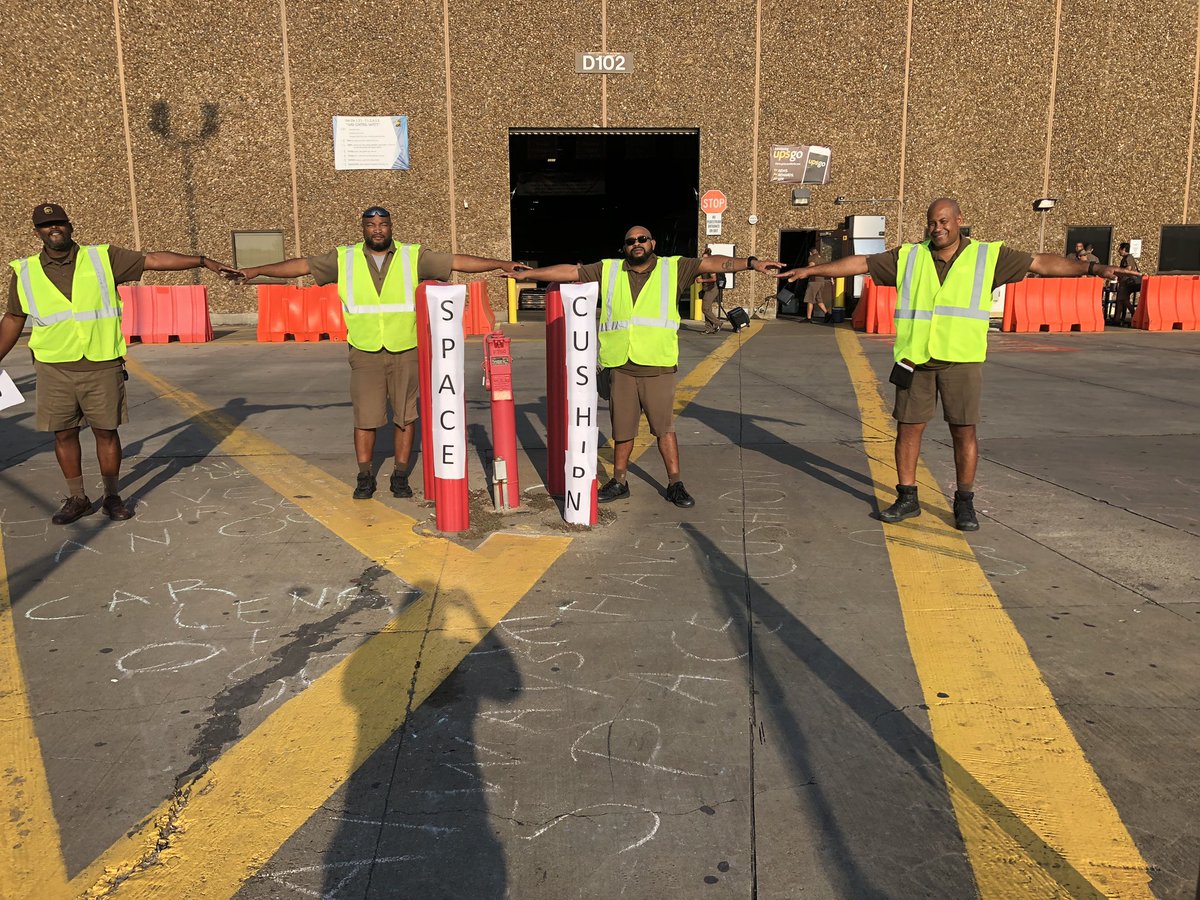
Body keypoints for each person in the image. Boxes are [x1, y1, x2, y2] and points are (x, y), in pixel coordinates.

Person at [781, 198, 1138, 531]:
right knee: (908, 429)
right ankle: (908, 497)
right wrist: (813, 271)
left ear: (959, 222)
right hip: (915, 359)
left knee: (963, 431)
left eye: (944, 221)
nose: (937, 228)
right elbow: (860, 263)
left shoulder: (987, 256)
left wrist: (1093, 267)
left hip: (962, 360)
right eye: (931, 223)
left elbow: (1041, 263)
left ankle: (963, 501)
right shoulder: (909, 256)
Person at [235, 207, 524, 500]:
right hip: (364, 350)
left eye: (383, 224)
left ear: (391, 227)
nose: (377, 229)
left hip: (405, 349)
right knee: (365, 418)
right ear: (362, 228)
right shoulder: (344, 258)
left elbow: (457, 261)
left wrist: (502, 263)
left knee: (405, 417)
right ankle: (365, 477)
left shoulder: (413, 256)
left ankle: (400, 476)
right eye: (371, 224)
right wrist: (257, 270)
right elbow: (301, 267)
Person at [512, 225, 782, 508]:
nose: (636, 244)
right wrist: (529, 273)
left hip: (657, 365)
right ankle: (619, 481)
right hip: (621, 365)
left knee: (663, 427)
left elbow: (712, 263)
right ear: (625, 247)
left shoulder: (673, 268)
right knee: (622, 429)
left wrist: (751, 263)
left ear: (652, 242)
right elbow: (570, 272)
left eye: (642, 239)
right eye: (630, 241)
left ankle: (675, 483)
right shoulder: (610, 270)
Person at [0, 203, 236, 525]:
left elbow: (152, 260)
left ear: (70, 226)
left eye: (59, 223)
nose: (54, 229)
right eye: (46, 225)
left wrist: (204, 261)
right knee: (64, 434)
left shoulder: (102, 258)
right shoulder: (25, 271)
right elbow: (14, 317)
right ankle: (78, 498)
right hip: (54, 367)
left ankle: (112, 496)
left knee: (106, 433)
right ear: (37, 231)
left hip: (101, 363)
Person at [801, 245, 832, 322]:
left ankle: (808, 318)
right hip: (821, 280)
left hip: (814, 280)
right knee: (819, 299)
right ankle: (827, 314)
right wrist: (831, 278)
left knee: (809, 299)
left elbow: (811, 266)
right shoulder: (822, 259)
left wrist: (802, 270)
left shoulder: (812, 257)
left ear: (810, 253)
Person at [697, 247, 724, 333]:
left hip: (712, 289)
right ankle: (708, 328)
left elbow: (714, 279)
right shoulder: (703, 267)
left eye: (705, 258)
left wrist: (702, 280)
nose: (703, 259)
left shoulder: (710, 267)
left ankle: (718, 323)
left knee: (705, 309)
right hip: (707, 289)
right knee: (707, 309)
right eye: (702, 258)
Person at [1114, 241, 1141, 326]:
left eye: (1120, 249)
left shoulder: (1128, 257)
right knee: (1120, 299)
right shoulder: (1125, 258)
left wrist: (1120, 273)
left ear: (1124, 249)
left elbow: (1128, 268)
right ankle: (1117, 319)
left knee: (1122, 298)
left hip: (1129, 281)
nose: (1118, 251)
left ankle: (1134, 313)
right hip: (1125, 281)